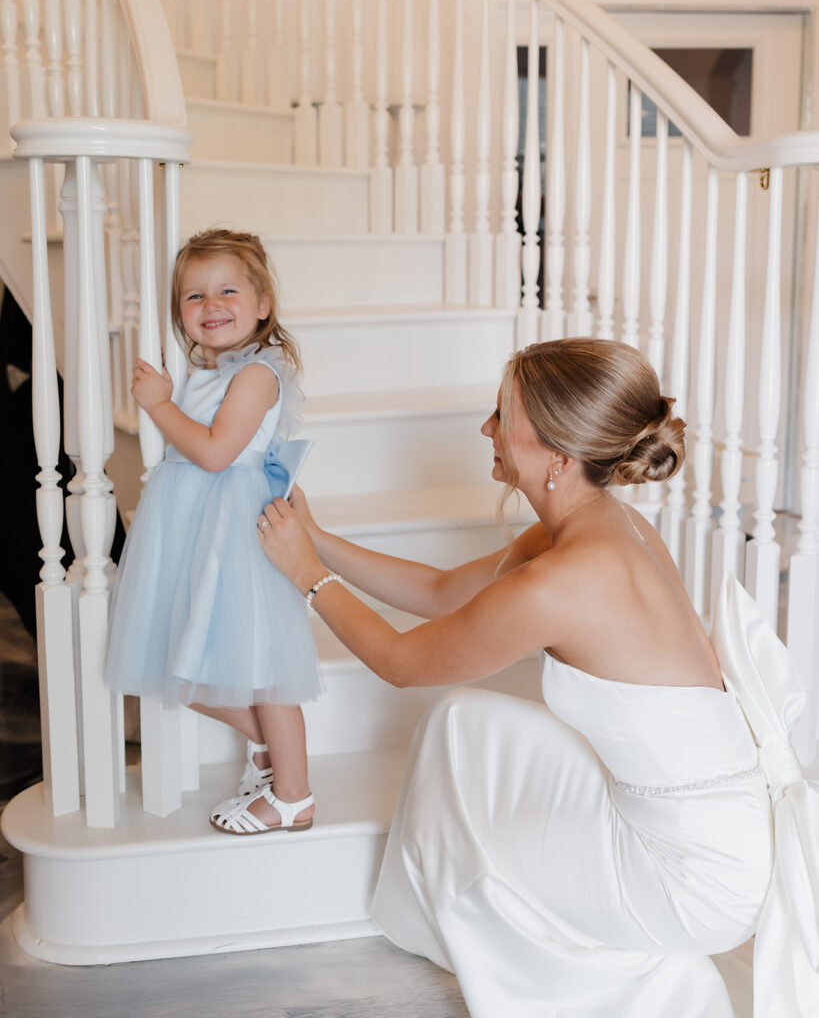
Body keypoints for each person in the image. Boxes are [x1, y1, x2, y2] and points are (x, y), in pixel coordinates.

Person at [256, 337, 819, 1017]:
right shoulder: (598, 524)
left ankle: (653, 987)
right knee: (464, 724)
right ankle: (448, 919)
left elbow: (401, 664)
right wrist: (314, 538)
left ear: (556, 451)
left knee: (492, 877)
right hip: (701, 822)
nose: (485, 429)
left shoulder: (564, 581)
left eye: (502, 415)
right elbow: (440, 592)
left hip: (694, 875)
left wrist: (304, 578)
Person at [105, 228, 320, 834]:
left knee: (265, 668)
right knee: (177, 658)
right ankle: (270, 754)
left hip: (233, 530)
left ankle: (294, 794)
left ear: (262, 304)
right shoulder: (212, 370)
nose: (210, 306)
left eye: (227, 290)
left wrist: (158, 404)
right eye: (193, 297)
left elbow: (216, 452)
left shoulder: (256, 375)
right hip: (191, 525)